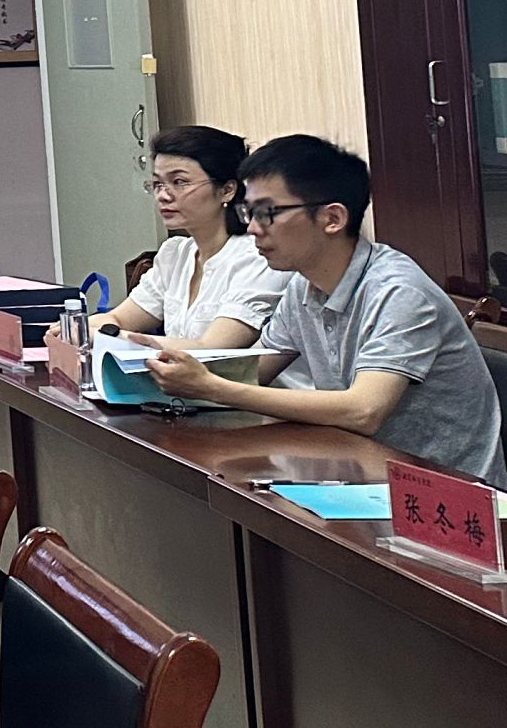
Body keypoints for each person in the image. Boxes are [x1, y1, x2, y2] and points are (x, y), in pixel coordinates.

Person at [144, 135, 507, 484]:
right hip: (360, 470)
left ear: (332, 218)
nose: (252, 228)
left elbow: (364, 410)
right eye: (248, 212)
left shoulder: (397, 291)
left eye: (267, 213)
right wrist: (158, 370)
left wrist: (213, 387)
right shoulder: (303, 286)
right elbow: (254, 370)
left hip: (446, 492)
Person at [95, 125, 281, 349]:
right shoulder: (175, 254)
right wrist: (74, 328)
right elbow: (117, 318)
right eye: (157, 184)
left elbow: (211, 349)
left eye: (179, 182)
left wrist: (110, 337)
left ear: (227, 190)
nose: (163, 196)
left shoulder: (256, 257)